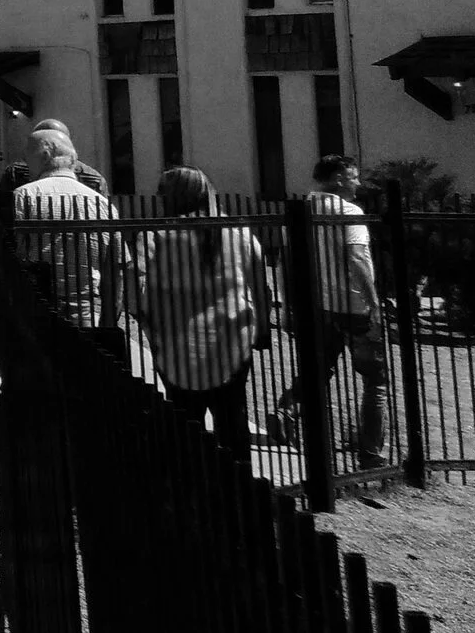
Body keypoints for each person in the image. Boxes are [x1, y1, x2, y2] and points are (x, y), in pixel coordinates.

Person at [131, 168, 274, 462]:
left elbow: (136, 294)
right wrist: (261, 329)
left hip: (176, 342)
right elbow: (262, 287)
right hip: (233, 339)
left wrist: (149, 330)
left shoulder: (155, 236)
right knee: (232, 417)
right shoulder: (240, 233)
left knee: (185, 420)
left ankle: (192, 487)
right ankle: (238, 487)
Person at [274, 154, 388, 468]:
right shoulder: (350, 211)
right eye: (353, 177)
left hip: (319, 307)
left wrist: (287, 307)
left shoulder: (299, 209)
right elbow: (358, 260)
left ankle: (286, 411)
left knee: (318, 371)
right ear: (338, 178)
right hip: (354, 308)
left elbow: (286, 263)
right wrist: (374, 304)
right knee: (375, 380)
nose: (358, 184)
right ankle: (371, 453)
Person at [8, 130, 121, 333]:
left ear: (44, 156)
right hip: (88, 312)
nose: (25, 164)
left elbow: (9, 257)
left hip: (38, 310)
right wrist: (109, 323)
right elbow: (115, 271)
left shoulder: (23, 196)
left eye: (27, 158)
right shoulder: (103, 204)